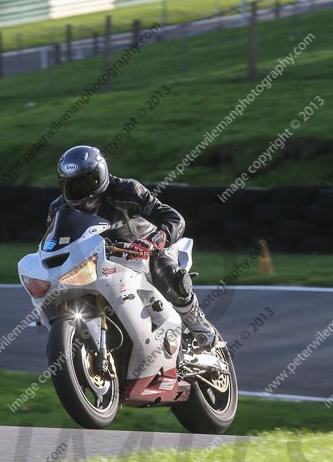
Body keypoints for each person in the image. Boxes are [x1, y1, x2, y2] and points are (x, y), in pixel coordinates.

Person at [46, 144, 216, 347]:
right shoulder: (58, 209)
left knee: (161, 266)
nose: (79, 190)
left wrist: (155, 240)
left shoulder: (127, 190)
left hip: (144, 251)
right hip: (100, 261)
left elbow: (173, 217)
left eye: (85, 182)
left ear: (100, 175)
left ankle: (193, 317)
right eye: (71, 185)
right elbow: (53, 244)